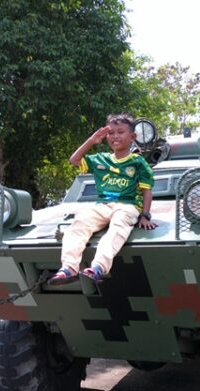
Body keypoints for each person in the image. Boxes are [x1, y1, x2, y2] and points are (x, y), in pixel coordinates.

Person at [48, 114, 156, 285]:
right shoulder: (101, 159)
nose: (115, 136)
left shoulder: (138, 162)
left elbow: (147, 190)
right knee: (79, 223)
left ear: (132, 137)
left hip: (127, 205)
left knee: (117, 228)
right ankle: (69, 268)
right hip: (103, 205)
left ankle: (98, 267)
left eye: (121, 132)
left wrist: (145, 215)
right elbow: (74, 160)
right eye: (111, 133)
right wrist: (92, 141)